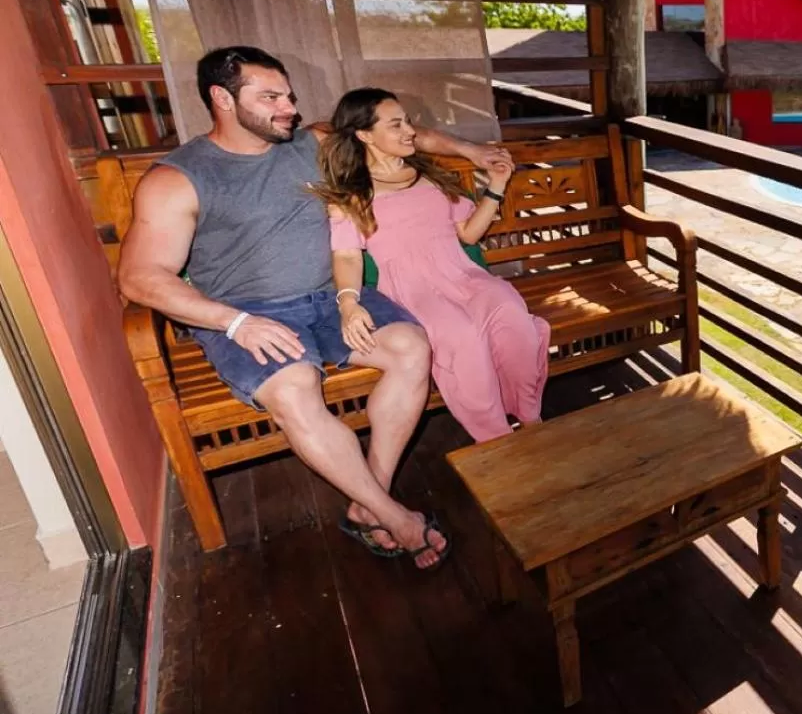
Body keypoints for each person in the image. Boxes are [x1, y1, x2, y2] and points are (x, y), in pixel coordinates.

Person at [117, 46, 513, 569]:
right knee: (296, 387)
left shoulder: (312, 143)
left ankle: (369, 495)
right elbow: (140, 277)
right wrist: (234, 322)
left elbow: (405, 134)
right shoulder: (178, 179)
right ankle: (393, 517)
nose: (289, 108)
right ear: (222, 99)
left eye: (289, 95)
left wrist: (474, 151)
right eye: (271, 97)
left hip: (331, 298)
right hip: (247, 315)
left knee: (411, 347)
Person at [314, 88, 550, 443]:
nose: (410, 131)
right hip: (410, 289)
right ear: (364, 135)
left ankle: (530, 415)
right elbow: (346, 254)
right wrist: (348, 302)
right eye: (396, 125)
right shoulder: (352, 193)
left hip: (462, 273)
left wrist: (497, 187)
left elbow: (468, 235)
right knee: (461, 338)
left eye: (407, 121)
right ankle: (496, 436)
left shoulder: (431, 174)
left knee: (511, 314)